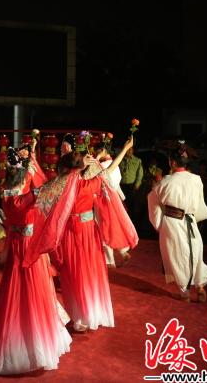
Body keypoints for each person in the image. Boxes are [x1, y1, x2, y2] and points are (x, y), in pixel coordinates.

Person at [0, 147, 72, 375]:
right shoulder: (25, 198)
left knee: (15, 293)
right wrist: (67, 176)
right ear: (22, 178)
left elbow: (35, 187)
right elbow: (49, 189)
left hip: (17, 247)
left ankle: (18, 339)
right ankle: (35, 341)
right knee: (34, 292)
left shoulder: (7, 195)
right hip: (29, 250)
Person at [55, 136, 135, 332]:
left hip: (69, 233)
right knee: (90, 273)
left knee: (73, 273)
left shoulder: (60, 184)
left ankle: (79, 316)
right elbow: (109, 170)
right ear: (82, 166)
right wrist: (125, 149)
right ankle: (90, 314)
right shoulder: (91, 183)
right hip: (89, 231)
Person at [147, 143, 207, 302]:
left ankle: (185, 292)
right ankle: (200, 286)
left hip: (172, 222)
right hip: (190, 220)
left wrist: (158, 223)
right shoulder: (196, 179)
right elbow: (199, 203)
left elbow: (152, 200)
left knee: (177, 255)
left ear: (173, 163)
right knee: (195, 251)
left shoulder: (166, 181)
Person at [94, 137, 131, 268]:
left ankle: (110, 260)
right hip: (114, 198)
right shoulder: (115, 166)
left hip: (103, 199)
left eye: (97, 151)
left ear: (103, 151)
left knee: (103, 227)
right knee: (114, 225)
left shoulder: (102, 166)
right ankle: (122, 251)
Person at [119, 146, 144, 223]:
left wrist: (137, 185)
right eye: (127, 149)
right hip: (122, 186)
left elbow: (140, 174)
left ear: (133, 150)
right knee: (122, 205)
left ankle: (131, 222)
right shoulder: (120, 160)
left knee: (132, 205)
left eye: (131, 149)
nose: (129, 151)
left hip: (132, 186)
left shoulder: (137, 160)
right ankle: (123, 221)